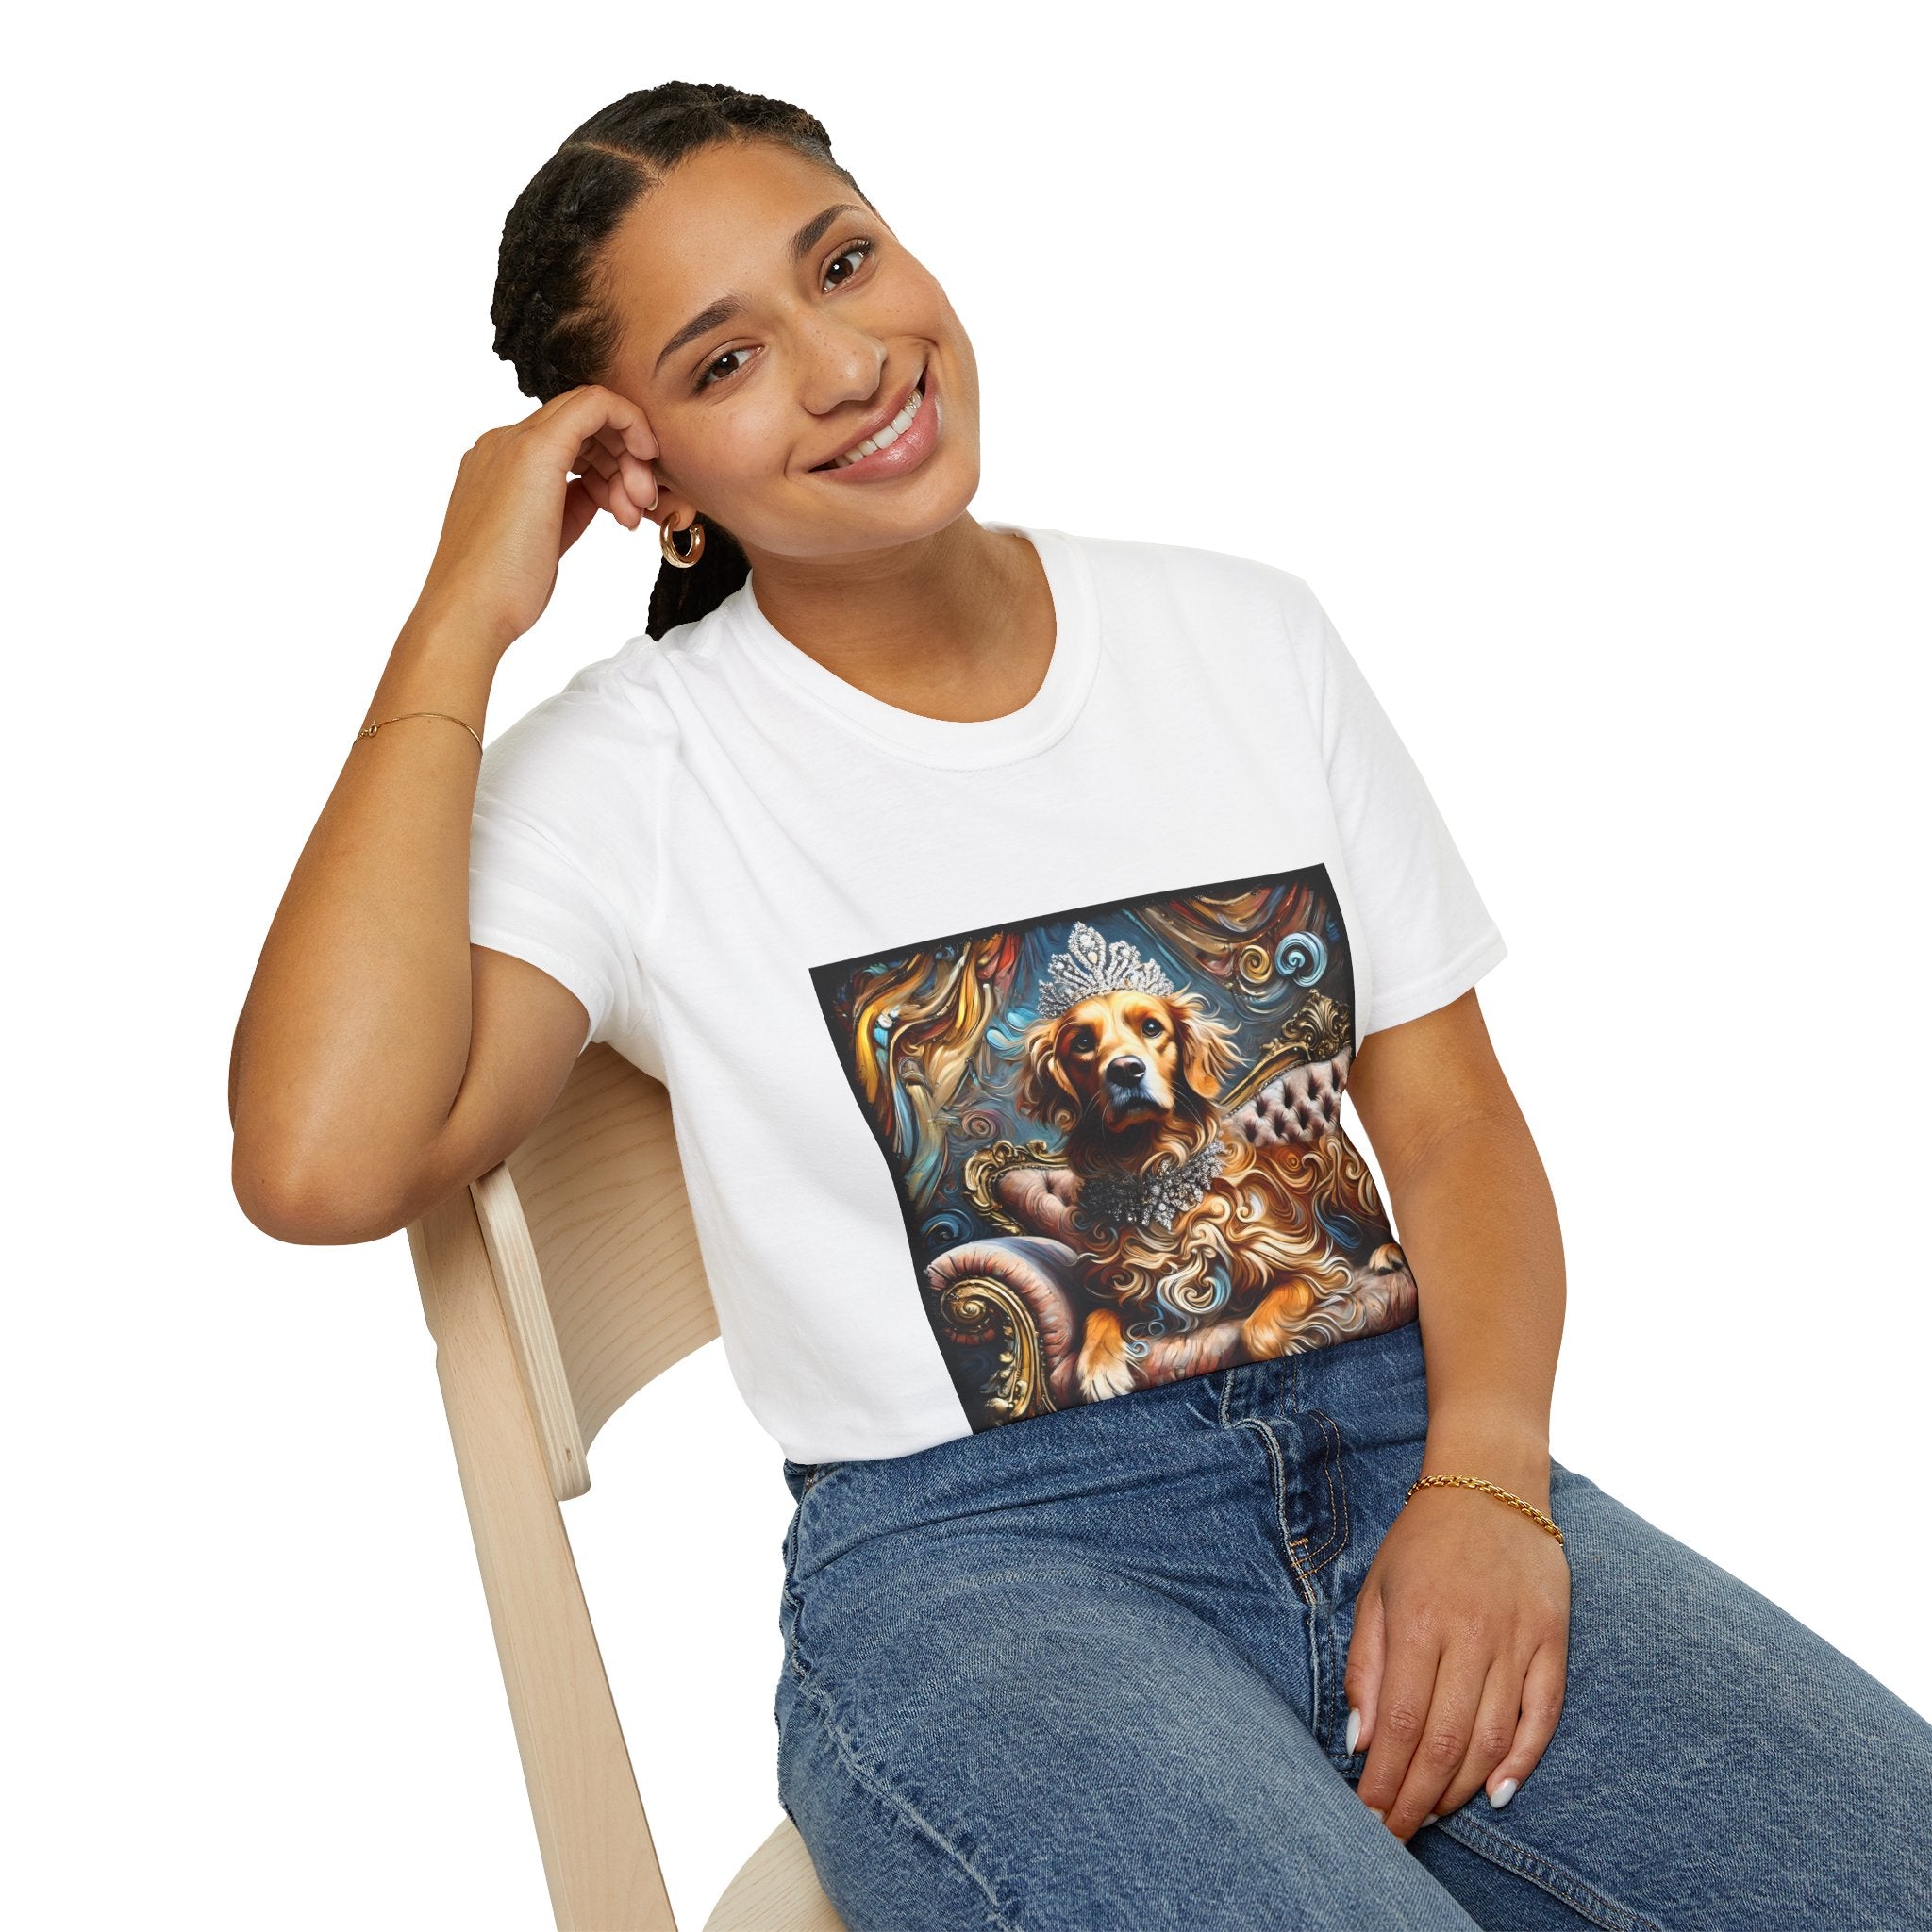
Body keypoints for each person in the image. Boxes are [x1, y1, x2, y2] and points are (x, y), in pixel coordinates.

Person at [228, 81, 1932, 1932]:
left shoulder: (1241, 636)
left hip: (1402, 1446)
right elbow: (321, 1158)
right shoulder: (634, 773)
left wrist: (1490, 1485)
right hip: (985, 1570)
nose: (845, 362)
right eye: (725, 362)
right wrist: (456, 619)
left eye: (845, 263)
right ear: (647, 479)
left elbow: (1446, 1123)